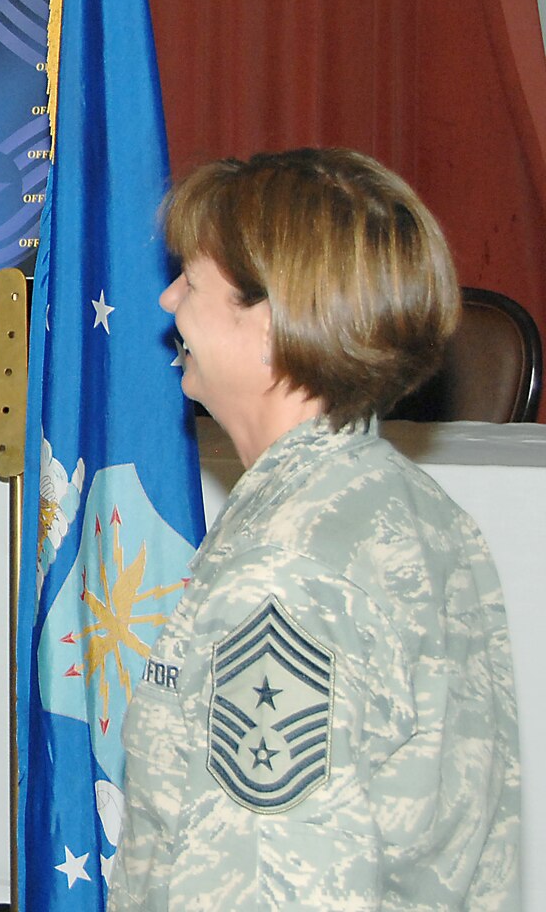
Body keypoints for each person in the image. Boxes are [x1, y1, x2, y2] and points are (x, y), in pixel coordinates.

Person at [112, 149, 521, 909]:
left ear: (270, 325)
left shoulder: (284, 576)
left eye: (193, 283)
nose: (169, 302)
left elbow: (266, 884)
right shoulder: (414, 510)